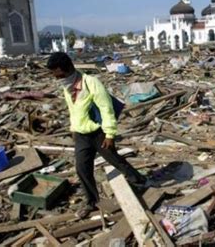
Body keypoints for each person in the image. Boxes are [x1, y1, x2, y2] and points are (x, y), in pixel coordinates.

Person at [47, 52, 148, 218]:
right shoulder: (68, 88)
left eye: (60, 75)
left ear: (69, 69)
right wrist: (73, 129)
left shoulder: (91, 83)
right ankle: (91, 201)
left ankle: (139, 180)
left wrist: (110, 134)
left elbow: (106, 108)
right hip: (81, 135)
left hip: (99, 133)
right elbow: (73, 110)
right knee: (82, 169)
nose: (58, 78)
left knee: (114, 159)